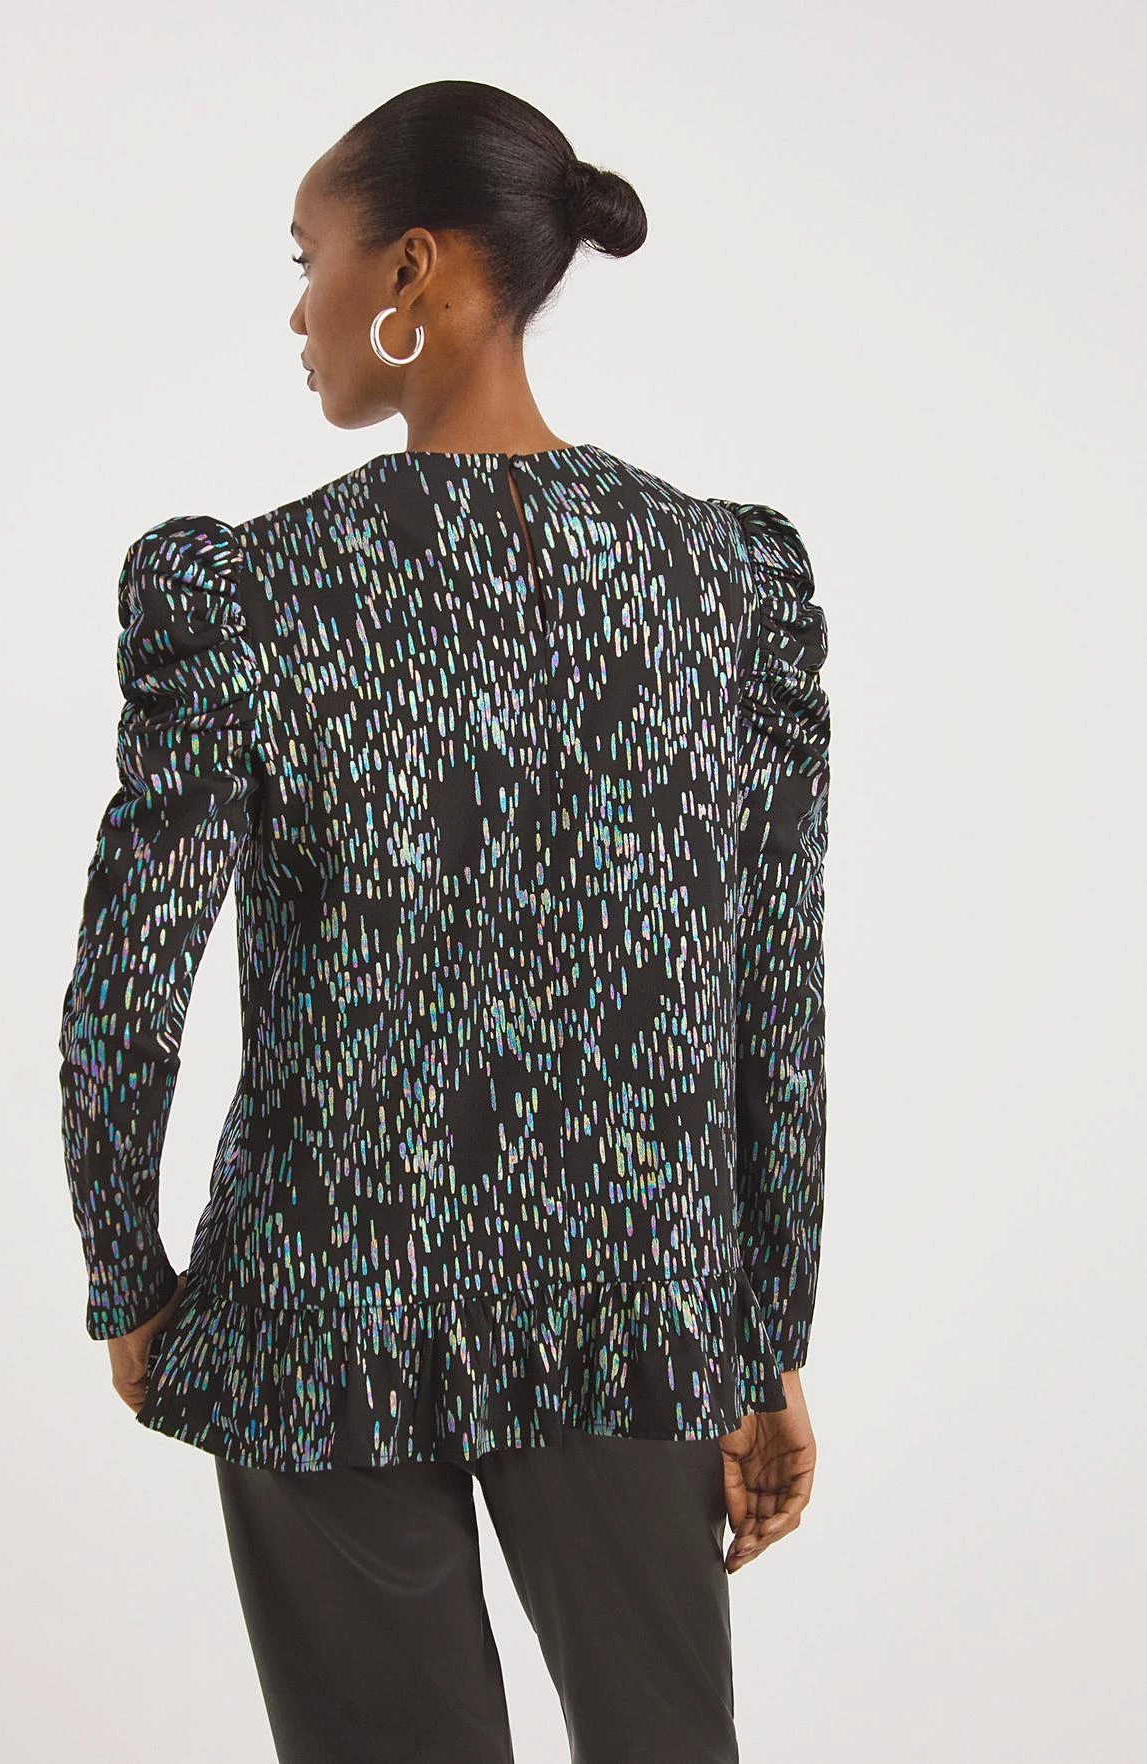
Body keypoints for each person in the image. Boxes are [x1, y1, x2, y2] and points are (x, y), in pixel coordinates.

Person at [57, 78, 831, 1764]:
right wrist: (763, 1341)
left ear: (412, 271)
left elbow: (128, 980)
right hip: (633, 1301)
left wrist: (128, 1272)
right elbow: (770, 996)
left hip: (322, 1293)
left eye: (309, 261)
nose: (298, 310)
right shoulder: (723, 587)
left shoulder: (252, 597)